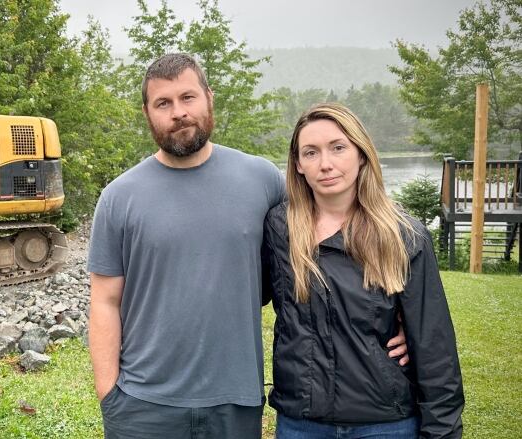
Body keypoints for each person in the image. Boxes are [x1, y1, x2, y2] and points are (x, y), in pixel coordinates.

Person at [87, 55, 409, 438]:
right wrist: (110, 395)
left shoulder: (262, 180)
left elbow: (332, 232)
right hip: (143, 403)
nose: (178, 112)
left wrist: (394, 315)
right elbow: (104, 301)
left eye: (188, 97)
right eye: (163, 103)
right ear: (147, 112)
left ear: (209, 98)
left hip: (235, 401)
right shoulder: (119, 197)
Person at [263, 103, 464, 438]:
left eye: (338, 148)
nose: (325, 164)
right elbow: (243, 288)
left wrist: (442, 431)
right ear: (298, 164)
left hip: (386, 423)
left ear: (361, 153)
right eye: (310, 153)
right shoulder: (279, 228)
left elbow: (433, 345)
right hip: (301, 422)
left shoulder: (404, 235)